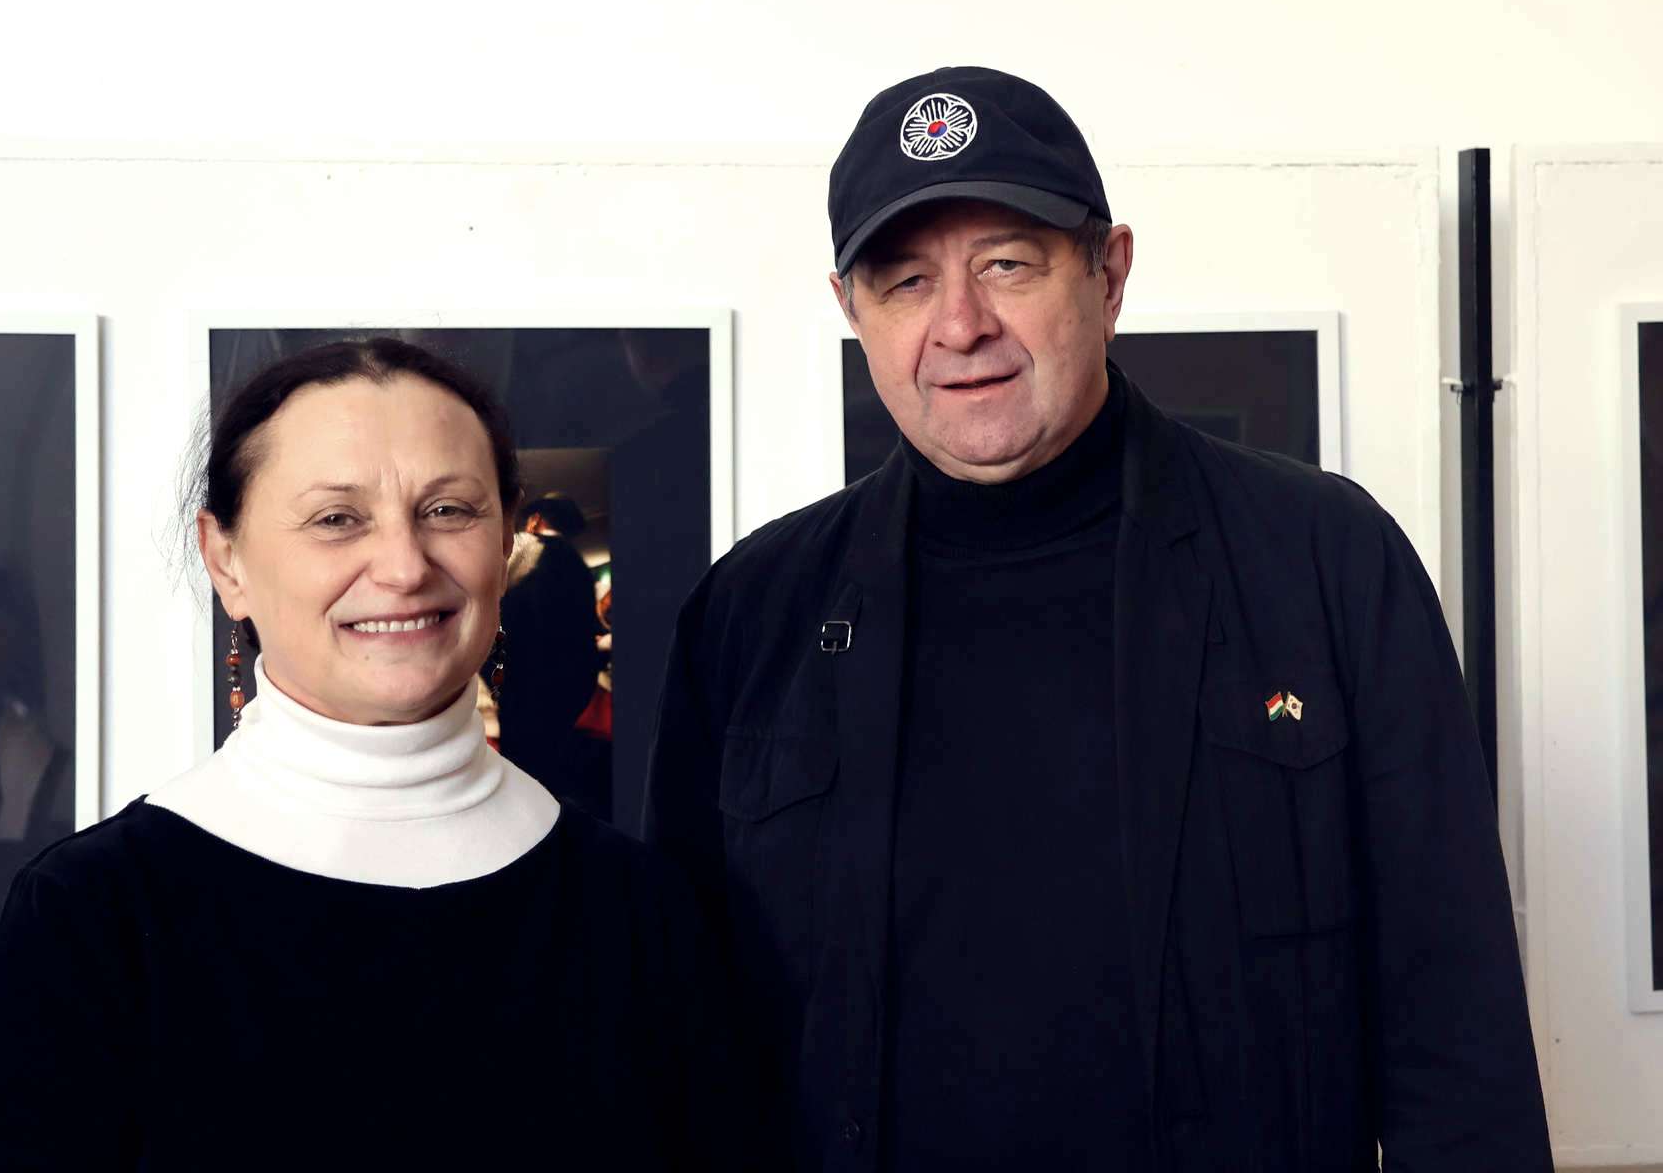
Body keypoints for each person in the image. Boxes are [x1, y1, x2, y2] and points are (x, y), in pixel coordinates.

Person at [644, 67, 1551, 1170]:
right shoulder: (751, 614)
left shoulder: (1325, 561)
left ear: (1109, 275)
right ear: (852, 311)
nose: (960, 325)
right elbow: (685, 1048)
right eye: (907, 282)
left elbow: (1455, 1025)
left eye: (1007, 264)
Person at [0, 339, 739, 1170]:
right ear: (226, 560)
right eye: (336, 519)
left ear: (504, 540)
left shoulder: (639, 908)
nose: (403, 567)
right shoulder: (93, 915)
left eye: (448, 510)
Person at [497, 492, 608, 818]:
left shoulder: (526, 545)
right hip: (572, 681)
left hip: (523, 675)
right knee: (553, 761)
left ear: (536, 520)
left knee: (520, 762)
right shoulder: (580, 568)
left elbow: (489, 591)